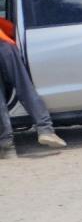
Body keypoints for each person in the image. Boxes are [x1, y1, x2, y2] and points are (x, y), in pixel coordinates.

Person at [0, 15, 66, 158]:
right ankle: (45, 130)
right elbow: (11, 28)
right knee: (24, 87)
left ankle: (7, 146)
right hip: (4, 47)